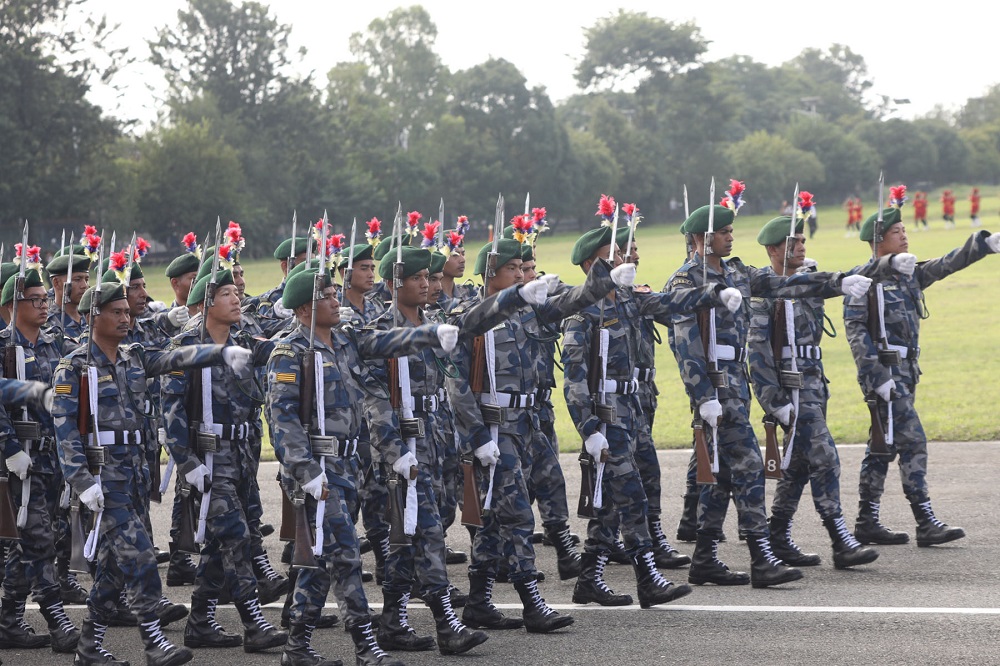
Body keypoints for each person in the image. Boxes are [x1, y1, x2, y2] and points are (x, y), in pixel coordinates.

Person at [665, 198, 875, 589]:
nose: (730, 237)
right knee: (747, 467)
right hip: (716, 388)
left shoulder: (738, 273)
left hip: (737, 386)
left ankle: (705, 558)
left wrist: (836, 283)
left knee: (725, 475)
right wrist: (703, 394)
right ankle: (762, 557)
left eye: (730, 232)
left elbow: (784, 284)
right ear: (702, 238)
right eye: (723, 233)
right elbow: (685, 345)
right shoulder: (685, 282)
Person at [53, 281, 250, 666]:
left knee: (112, 570)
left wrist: (221, 352)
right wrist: (82, 482)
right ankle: (155, 643)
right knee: (141, 560)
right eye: (117, 312)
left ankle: (88, 646)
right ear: (95, 316)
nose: (126, 318)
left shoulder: (135, 358)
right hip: (103, 480)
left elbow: (177, 359)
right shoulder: (74, 367)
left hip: (135, 477)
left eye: (127, 312)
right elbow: (64, 433)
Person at [268, 266, 456, 666]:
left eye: (337, 294)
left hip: (349, 464)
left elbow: (389, 340)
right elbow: (281, 422)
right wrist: (306, 471)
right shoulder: (290, 353)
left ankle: (297, 647)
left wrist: (431, 333)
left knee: (321, 561)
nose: (338, 301)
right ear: (305, 309)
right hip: (319, 469)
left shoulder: (345, 342)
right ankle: (366, 647)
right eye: (328, 296)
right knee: (346, 556)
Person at [564, 201, 740, 609]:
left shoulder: (628, 300)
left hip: (632, 413)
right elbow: (573, 379)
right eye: (616, 256)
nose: (627, 260)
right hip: (607, 418)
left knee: (615, 502)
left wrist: (713, 292)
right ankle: (647, 578)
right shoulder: (581, 312)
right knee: (631, 496)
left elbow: (669, 303)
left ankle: (589, 578)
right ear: (593, 264)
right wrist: (588, 428)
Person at [448, 237, 625, 633]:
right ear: (492, 274)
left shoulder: (528, 308)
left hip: (528, 423)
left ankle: (477, 602)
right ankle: (532, 603)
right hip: (496, 428)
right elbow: (456, 382)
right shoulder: (469, 314)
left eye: (521, 267)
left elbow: (570, 303)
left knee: (507, 514)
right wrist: (477, 436)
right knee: (517, 516)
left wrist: (603, 276)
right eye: (512, 268)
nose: (522, 272)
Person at [365, 244, 534, 655]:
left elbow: (475, 321)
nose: (428, 283)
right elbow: (373, 400)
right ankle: (446, 622)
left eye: (431, 277)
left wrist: (516, 296)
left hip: (438, 441)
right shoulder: (376, 332)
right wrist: (393, 451)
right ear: (394, 284)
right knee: (425, 533)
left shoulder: (438, 321)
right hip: (405, 444)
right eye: (418, 278)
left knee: (424, 530)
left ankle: (392, 619)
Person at [845, 189, 1000, 546]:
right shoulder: (861, 280)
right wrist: (876, 377)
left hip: (907, 372)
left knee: (882, 445)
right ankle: (925, 521)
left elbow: (945, 264)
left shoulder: (907, 273)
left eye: (904, 229)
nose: (905, 234)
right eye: (896, 231)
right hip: (884, 374)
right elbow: (855, 334)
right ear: (878, 240)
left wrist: (983, 245)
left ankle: (866, 520)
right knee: (913, 441)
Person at [748, 214, 894, 570]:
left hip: (814, 386)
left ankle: (778, 534)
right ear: (773, 249)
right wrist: (773, 401)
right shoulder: (764, 293)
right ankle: (841, 539)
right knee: (826, 457)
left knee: (798, 466)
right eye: (792, 242)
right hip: (791, 391)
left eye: (802, 241)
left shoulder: (805, 285)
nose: (800, 247)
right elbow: (757, 353)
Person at [160, 269, 287, 653]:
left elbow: (274, 348)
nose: (237, 299)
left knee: (218, 545)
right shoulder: (185, 346)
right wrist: (187, 464)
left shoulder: (244, 338)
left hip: (243, 456)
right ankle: (254, 622)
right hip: (208, 460)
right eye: (227, 293)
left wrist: (302, 327)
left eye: (237, 292)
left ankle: (200, 622)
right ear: (207, 302)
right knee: (236, 537)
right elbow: (171, 413)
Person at [0, 266, 80, 654]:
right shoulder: (2, 346)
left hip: (52, 460)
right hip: (19, 463)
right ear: (13, 304)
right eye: (35, 299)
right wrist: (9, 447)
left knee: (26, 544)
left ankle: (9, 621)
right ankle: (58, 621)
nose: (44, 305)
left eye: (46, 298)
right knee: (39, 540)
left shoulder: (53, 346)